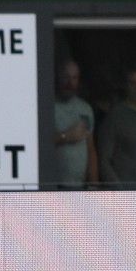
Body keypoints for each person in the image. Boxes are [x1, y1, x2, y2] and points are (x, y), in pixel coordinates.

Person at [54, 59, 99, 189]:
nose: (70, 83)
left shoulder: (85, 109)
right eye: (66, 77)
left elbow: (90, 149)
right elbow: (36, 144)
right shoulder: (45, 107)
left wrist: (94, 185)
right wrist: (66, 136)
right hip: (52, 186)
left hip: (80, 187)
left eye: (74, 78)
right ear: (57, 78)